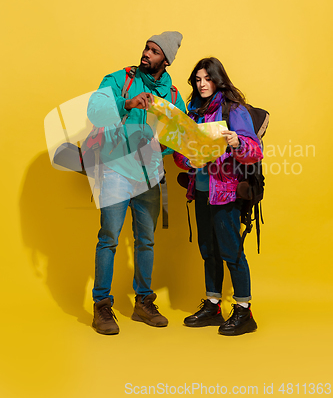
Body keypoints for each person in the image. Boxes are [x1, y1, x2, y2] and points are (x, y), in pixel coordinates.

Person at [88, 31, 185, 335]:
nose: (146, 54)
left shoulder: (172, 96)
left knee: (146, 241)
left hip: (150, 177)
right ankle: (102, 305)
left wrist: (161, 148)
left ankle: (144, 302)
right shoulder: (121, 79)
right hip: (116, 169)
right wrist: (127, 104)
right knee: (109, 238)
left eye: (155, 51)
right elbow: (94, 110)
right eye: (147, 47)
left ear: (166, 61)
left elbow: (178, 136)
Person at [173, 57, 263, 336]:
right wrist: (189, 161)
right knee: (208, 250)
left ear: (217, 79)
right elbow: (180, 153)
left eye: (207, 79)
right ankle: (213, 305)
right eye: (197, 80)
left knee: (231, 251)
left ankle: (244, 310)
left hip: (224, 192)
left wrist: (237, 142)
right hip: (199, 190)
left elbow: (254, 149)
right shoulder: (193, 112)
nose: (202, 85)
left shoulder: (233, 109)